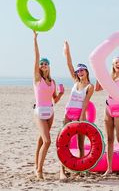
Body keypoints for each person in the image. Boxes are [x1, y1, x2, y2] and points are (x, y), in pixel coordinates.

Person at [95, 45, 119, 177]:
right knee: (110, 139)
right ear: (113, 65)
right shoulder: (109, 77)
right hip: (108, 108)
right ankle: (109, 168)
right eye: (116, 62)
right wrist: (98, 72)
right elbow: (97, 88)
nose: (118, 64)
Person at [60, 40, 94, 180]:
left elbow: (85, 103)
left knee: (81, 144)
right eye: (78, 71)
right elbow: (69, 64)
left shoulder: (90, 86)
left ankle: (81, 168)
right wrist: (67, 50)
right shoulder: (75, 82)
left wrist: (81, 117)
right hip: (69, 113)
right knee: (63, 143)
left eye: (81, 70)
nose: (79, 72)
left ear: (86, 71)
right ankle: (62, 170)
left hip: (80, 114)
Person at [33, 31, 64, 180]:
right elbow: (36, 57)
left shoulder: (52, 82)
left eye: (45, 63)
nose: (43, 65)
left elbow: (55, 100)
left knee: (41, 139)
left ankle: (35, 164)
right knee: (47, 141)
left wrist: (61, 94)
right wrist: (35, 39)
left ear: (49, 66)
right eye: (42, 64)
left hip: (50, 112)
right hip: (39, 112)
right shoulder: (37, 78)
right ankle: (39, 170)